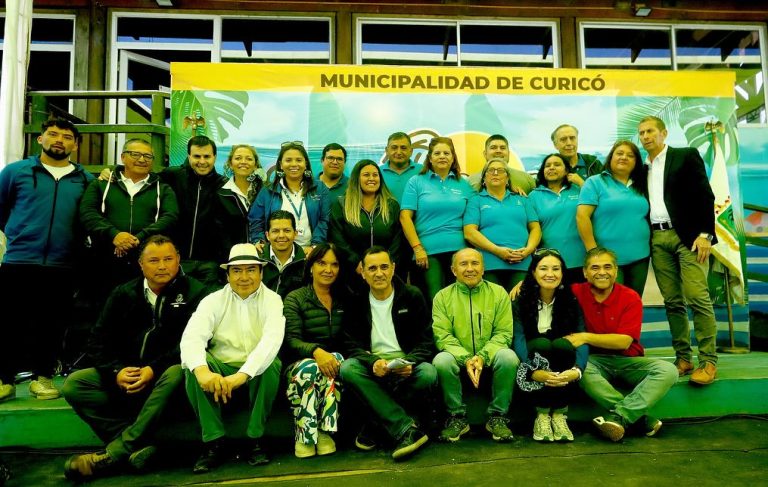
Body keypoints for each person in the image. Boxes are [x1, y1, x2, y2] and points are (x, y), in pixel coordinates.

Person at [62, 235, 209, 481]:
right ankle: (139, 445)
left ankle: (114, 453)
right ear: (141, 264)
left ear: (178, 260)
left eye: (168, 259)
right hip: (127, 375)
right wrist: (115, 371)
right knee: (75, 384)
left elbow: (195, 343)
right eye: (153, 260)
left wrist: (152, 369)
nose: (162, 266)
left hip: (167, 379)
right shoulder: (123, 293)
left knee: (176, 371)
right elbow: (97, 341)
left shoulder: (196, 293)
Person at [0, 117, 93, 402]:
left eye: (66, 137)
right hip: (19, 261)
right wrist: (21, 235)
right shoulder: (15, 172)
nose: (59, 140)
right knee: (9, 322)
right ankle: (4, 379)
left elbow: (87, 219)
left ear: (75, 145)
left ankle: (42, 378)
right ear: (40, 139)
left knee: (53, 324)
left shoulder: (85, 179)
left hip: (63, 264)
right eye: (53, 134)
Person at [180, 243, 284, 473]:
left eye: (250, 270)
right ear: (227, 274)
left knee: (272, 364)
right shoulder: (212, 301)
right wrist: (203, 371)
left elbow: (271, 341)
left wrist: (241, 376)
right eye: (237, 270)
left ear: (261, 272)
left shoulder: (273, 300)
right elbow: (192, 338)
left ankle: (255, 439)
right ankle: (213, 442)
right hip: (221, 367)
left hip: (253, 369)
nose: (244, 277)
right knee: (192, 365)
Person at [566, 247, 677, 442]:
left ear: (616, 271)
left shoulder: (630, 297)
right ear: (585, 272)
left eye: (608, 267)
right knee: (579, 369)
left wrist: (585, 337)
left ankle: (619, 416)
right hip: (594, 362)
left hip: (628, 361)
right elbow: (545, 287)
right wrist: (525, 283)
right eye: (595, 267)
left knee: (668, 370)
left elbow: (623, 341)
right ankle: (638, 419)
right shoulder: (574, 292)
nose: (602, 272)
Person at [639, 115, 718, 385]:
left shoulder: (685, 156)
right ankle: (683, 358)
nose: (645, 136)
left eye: (650, 131)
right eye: (641, 133)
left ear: (663, 133)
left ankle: (708, 361)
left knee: (697, 297)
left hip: (689, 237)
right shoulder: (642, 169)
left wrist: (706, 234)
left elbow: (706, 195)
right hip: (658, 239)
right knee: (672, 302)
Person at [339, 246, 437, 461]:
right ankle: (405, 428)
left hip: (406, 364)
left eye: (384, 267)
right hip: (374, 365)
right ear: (363, 273)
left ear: (393, 269)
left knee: (429, 372)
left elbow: (426, 341)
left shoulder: (412, 295)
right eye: (372, 268)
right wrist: (372, 361)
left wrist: (410, 362)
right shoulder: (355, 300)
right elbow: (350, 343)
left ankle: (376, 425)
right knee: (347, 368)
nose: (379, 273)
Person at [432, 248, 519, 443]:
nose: (470, 268)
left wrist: (482, 356)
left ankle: (497, 416)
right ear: (453, 270)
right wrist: (466, 357)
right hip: (458, 357)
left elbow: (504, 333)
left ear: (483, 268)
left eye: (475, 263)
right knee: (441, 361)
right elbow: (442, 336)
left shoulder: (498, 293)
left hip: (489, 356)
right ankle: (457, 417)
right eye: (463, 264)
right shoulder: (442, 297)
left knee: (508, 357)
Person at [79, 138, 179, 294]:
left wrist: (138, 238)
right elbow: (88, 212)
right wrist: (115, 235)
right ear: (123, 157)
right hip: (104, 259)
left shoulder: (163, 188)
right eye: (135, 154)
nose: (141, 159)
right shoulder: (101, 184)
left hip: (145, 261)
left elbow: (170, 216)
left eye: (147, 156)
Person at [512, 248, 587, 443]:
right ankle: (542, 415)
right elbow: (518, 338)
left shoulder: (571, 301)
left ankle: (560, 415)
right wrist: (531, 369)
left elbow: (581, 338)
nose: (550, 274)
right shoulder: (520, 300)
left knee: (563, 345)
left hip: (562, 362)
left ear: (563, 273)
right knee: (541, 344)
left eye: (556, 269)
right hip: (533, 361)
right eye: (543, 268)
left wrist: (577, 370)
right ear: (533, 272)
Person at [283, 244, 346, 458]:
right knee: (313, 367)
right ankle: (305, 435)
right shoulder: (295, 297)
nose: (328, 269)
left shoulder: (344, 297)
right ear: (311, 267)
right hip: (299, 365)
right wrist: (316, 351)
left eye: (334, 264)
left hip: (334, 361)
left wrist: (327, 356)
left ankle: (323, 431)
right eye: (322, 263)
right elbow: (291, 340)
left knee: (334, 361)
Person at [400, 136, 475, 301]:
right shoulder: (416, 181)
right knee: (435, 299)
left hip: (459, 252)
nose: (442, 156)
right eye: (437, 153)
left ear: (453, 157)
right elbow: (405, 217)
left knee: (460, 299)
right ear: (430, 158)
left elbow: (478, 210)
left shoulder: (464, 184)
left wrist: (512, 187)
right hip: (427, 253)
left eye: (447, 153)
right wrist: (417, 248)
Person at [576, 140, 650, 297]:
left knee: (634, 303)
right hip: (607, 259)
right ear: (610, 158)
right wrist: (593, 251)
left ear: (636, 162)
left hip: (640, 256)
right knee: (612, 305)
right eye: (620, 153)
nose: (624, 157)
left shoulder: (642, 184)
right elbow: (582, 217)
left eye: (630, 155)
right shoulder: (595, 182)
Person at [464, 158, 541, 291]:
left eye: (500, 170)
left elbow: (535, 228)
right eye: (490, 170)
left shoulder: (522, 199)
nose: (495, 173)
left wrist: (527, 251)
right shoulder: (475, 201)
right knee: (493, 308)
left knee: (520, 306)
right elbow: (469, 233)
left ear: (507, 179)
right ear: (484, 178)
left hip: (522, 263)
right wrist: (498, 251)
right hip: (489, 264)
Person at [160, 135, 227, 286]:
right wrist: (115, 171)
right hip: (175, 260)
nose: (202, 161)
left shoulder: (224, 185)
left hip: (210, 264)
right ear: (189, 156)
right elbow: (143, 180)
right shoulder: (172, 176)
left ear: (215, 157)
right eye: (197, 156)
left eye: (207, 156)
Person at [328, 159, 404, 285]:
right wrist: (356, 262)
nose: (372, 178)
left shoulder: (392, 205)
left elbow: (398, 239)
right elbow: (337, 238)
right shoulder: (341, 205)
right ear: (356, 179)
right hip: (352, 273)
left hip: (386, 274)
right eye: (366, 175)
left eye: (375, 175)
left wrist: (388, 264)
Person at [249, 141, 330, 253]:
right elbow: (256, 219)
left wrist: (315, 247)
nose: (293, 164)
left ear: (305, 163)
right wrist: (259, 240)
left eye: (298, 160)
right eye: (288, 160)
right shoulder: (268, 191)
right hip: (277, 252)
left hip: (310, 252)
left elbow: (324, 220)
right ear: (281, 165)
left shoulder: (320, 188)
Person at [528, 153, 585, 284]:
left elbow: (600, 204)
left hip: (581, 260)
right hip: (550, 264)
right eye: (547, 165)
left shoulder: (579, 190)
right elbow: (531, 229)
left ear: (567, 170)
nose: (551, 168)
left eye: (557, 164)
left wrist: (582, 183)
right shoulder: (533, 196)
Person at [214, 144, 265, 263]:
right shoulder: (221, 194)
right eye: (238, 158)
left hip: (262, 256)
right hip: (232, 258)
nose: (243, 162)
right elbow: (219, 233)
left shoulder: (265, 191)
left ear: (255, 164)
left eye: (248, 158)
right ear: (230, 164)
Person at [259, 210, 306, 299]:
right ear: (267, 235)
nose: (281, 235)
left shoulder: (305, 263)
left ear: (295, 234)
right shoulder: (257, 260)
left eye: (287, 230)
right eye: (275, 231)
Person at [468, 134, 535, 195]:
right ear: (485, 154)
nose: (498, 151)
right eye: (493, 147)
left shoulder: (527, 179)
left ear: (508, 154)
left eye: (502, 148)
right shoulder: (470, 182)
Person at [380, 132, 423, 203]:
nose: (399, 152)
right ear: (387, 150)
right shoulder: (377, 173)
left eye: (403, 148)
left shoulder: (423, 171)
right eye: (394, 148)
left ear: (411, 151)